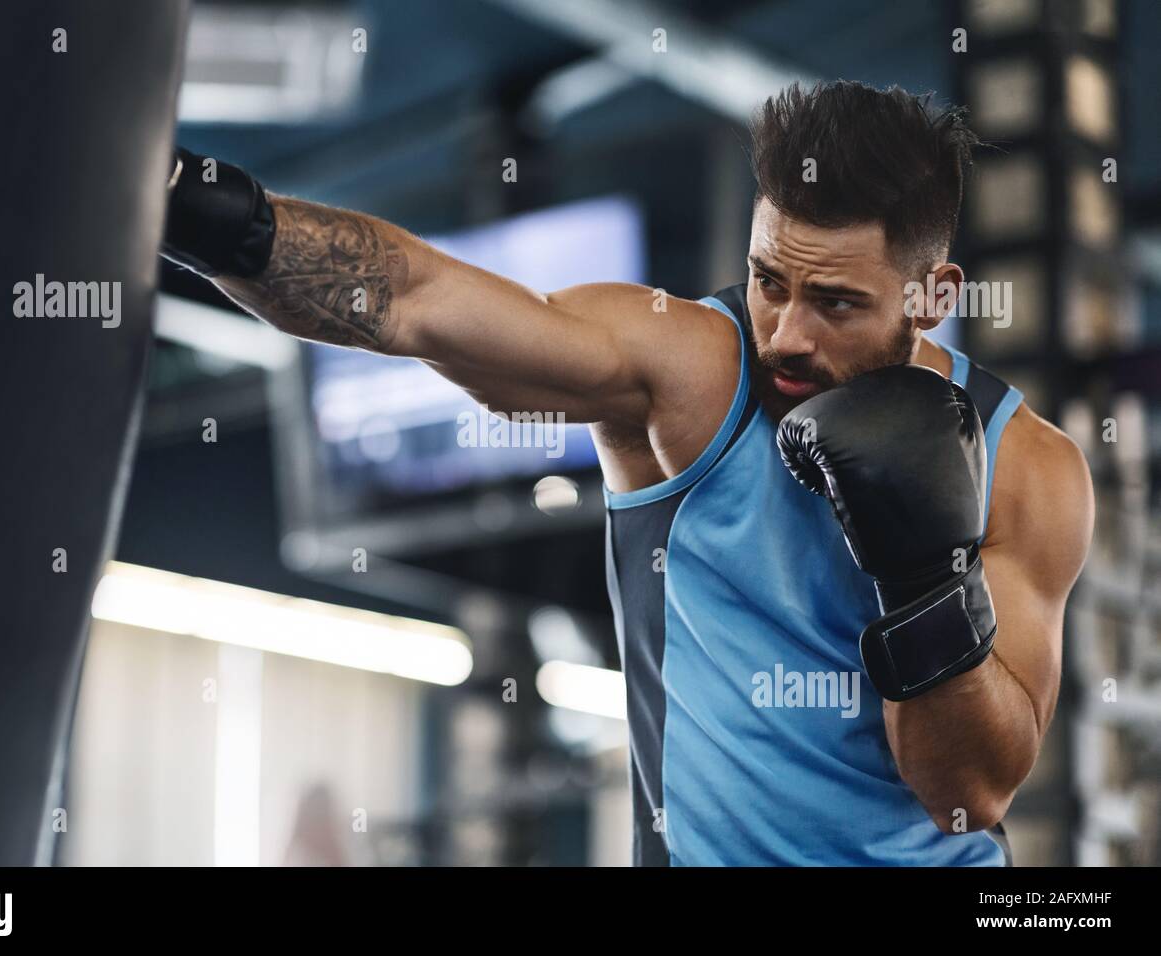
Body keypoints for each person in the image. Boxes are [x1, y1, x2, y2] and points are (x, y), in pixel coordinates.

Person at [162, 80, 1093, 866]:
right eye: (770, 281)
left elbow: (967, 792)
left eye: (839, 302)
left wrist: (927, 577)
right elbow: (419, 298)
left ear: (934, 295)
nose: (790, 335)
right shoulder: (688, 370)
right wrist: (213, 216)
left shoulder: (1028, 468)